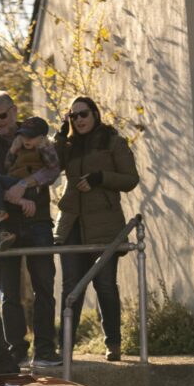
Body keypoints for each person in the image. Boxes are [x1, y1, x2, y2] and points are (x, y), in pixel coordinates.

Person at [0, 90, 62, 367]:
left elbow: (52, 169)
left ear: (14, 111)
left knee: (44, 287)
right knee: (10, 293)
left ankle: (46, 349)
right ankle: (16, 350)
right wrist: (20, 195)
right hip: (5, 226)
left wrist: (25, 185)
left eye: (3, 115)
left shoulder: (35, 132)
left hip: (37, 222)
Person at [53, 95, 140, 362]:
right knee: (70, 286)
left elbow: (130, 179)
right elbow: (51, 169)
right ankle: (64, 347)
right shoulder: (68, 145)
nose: (78, 120)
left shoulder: (113, 142)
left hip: (104, 223)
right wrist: (58, 139)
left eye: (83, 114)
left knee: (105, 285)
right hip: (72, 223)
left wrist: (101, 178)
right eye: (73, 116)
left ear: (95, 114)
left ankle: (113, 343)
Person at [0, 116, 60, 251]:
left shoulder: (44, 147)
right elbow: (8, 166)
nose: (27, 139)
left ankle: (0, 212)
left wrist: (44, 146)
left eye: (31, 137)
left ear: (42, 137)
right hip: (15, 181)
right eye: (23, 135)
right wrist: (13, 149)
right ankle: (1, 224)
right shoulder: (20, 148)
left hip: (31, 186)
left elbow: (53, 165)